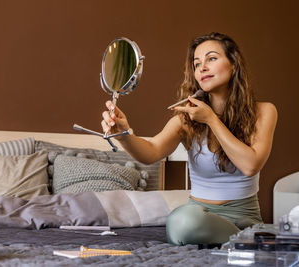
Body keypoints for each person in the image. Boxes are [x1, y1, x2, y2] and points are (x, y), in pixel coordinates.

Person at [101, 32, 277, 245]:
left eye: (211, 58)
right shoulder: (185, 120)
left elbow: (251, 165)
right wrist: (124, 134)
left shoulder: (264, 112)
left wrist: (212, 120)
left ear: (233, 64)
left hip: (244, 218)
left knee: (184, 224)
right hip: (197, 217)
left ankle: (243, 238)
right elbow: (151, 151)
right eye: (196, 64)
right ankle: (245, 242)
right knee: (183, 220)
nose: (202, 67)